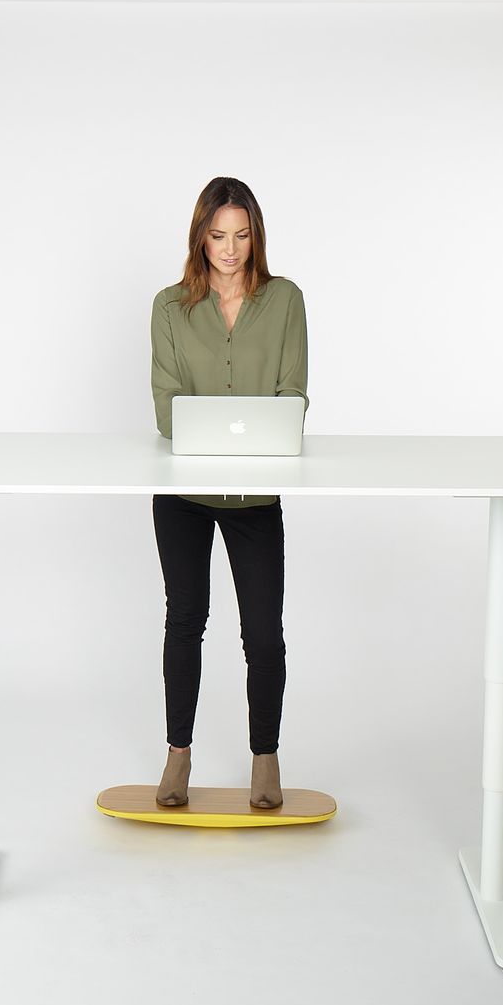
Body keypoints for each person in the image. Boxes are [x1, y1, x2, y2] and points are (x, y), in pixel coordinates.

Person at [149, 176, 308, 810]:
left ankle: (265, 759)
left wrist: (250, 438)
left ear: (256, 237)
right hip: (183, 493)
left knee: (264, 632)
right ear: (200, 236)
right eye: (218, 235)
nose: (231, 249)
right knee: (185, 622)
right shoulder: (168, 305)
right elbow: (167, 408)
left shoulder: (286, 299)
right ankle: (177, 756)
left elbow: (292, 397)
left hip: (256, 497)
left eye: (242, 235)